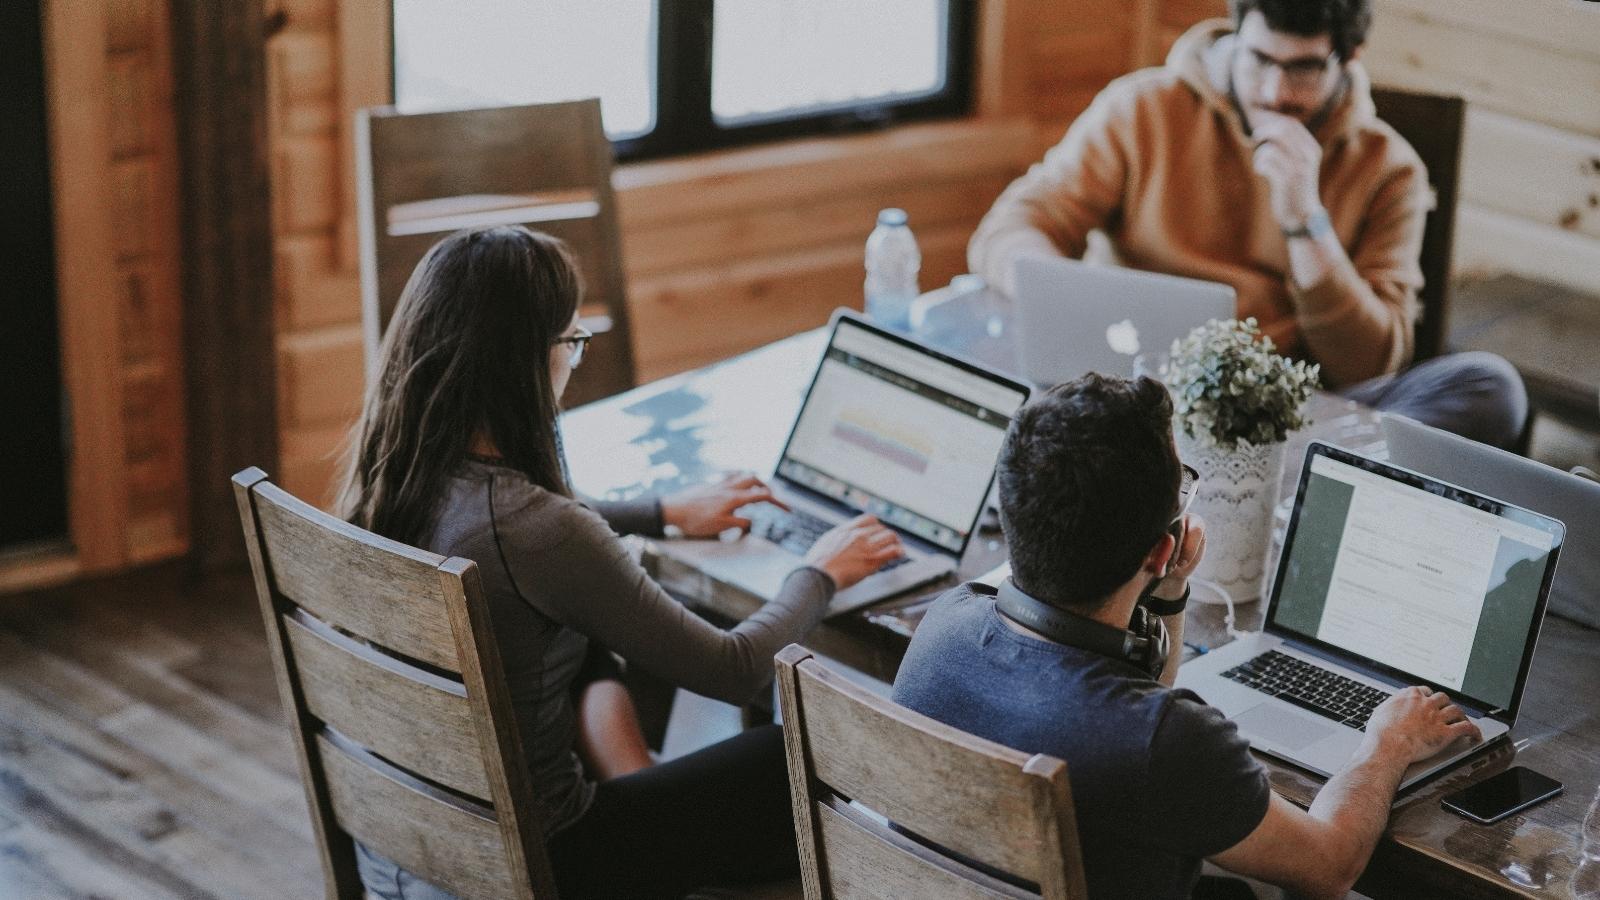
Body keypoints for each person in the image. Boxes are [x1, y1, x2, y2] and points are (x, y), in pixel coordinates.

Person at [335, 225, 903, 899]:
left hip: (402, 845)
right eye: (572, 341)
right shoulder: (537, 530)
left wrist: (660, 512)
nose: (574, 360)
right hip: (545, 864)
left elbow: (545, 531)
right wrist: (821, 571)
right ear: (527, 359)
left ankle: (642, 784)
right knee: (786, 759)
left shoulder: (390, 477)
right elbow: (733, 668)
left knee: (581, 641)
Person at [892, 374, 1482, 899]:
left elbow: (1132, 694)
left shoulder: (943, 627)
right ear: (1161, 548)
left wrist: (1167, 590)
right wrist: (1387, 744)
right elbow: (1329, 865)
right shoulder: (1167, 741)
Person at [969, 0, 1527, 450]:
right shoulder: (1141, 109)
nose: (1275, 93)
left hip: (1289, 421)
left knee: (1492, 388)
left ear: (1349, 56)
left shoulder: (1390, 168)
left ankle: (1290, 489)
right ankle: (1284, 495)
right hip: (1136, 395)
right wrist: (1058, 300)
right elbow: (1012, 227)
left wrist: (1306, 220)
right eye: (1259, 59)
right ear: (1235, 33)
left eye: (1304, 68)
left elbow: (1369, 364)